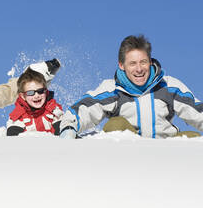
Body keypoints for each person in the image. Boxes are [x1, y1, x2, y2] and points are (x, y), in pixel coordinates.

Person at [59, 35, 203, 139]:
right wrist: (69, 128)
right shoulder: (112, 89)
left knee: (193, 138)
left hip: (164, 149)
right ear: (122, 65)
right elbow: (84, 108)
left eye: (143, 62)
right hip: (129, 153)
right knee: (116, 124)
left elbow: (196, 111)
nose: (139, 69)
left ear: (150, 62)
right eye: (132, 63)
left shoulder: (168, 86)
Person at [6, 66, 63, 136]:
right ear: (23, 96)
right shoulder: (18, 115)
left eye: (40, 91)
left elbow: (62, 129)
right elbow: (13, 137)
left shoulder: (52, 108)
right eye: (30, 93)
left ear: (45, 91)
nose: (36, 96)